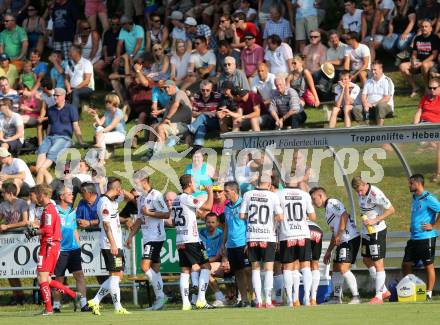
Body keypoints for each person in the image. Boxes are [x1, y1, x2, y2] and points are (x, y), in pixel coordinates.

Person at [24, 184, 81, 315]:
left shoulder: (49, 209)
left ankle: (49, 309)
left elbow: (48, 230)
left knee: (42, 277)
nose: (35, 197)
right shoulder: (48, 209)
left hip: (50, 245)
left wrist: (34, 232)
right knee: (46, 279)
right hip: (48, 245)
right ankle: (73, 295)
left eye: (36, 194)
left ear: (41, 194)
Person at [126, 172, 169, 310]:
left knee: (145, 267)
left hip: (155, 237)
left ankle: (161, 296)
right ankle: (159, 301)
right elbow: (139, 219)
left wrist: (149, 213)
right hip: (147, 237)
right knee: (155, 269)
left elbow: (167, 214)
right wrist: (131, 236)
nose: (135, 185)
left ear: (144, 181)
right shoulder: (141, 198)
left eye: (136, 182)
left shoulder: (156, 195)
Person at [310, 187, 361, 305]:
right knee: (336, 269)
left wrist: (340, 234)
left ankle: (356, 296)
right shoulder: (327, 212)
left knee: (343, 268)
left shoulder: (332, 203)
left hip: (350, 239)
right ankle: (336, 298)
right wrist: (329, 251)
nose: (313, 202)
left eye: (314, 198)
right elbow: (334, 233)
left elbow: (344, 215)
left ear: (321, 196)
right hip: (342, 240)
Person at [87, 177, 131, 315]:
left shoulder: (112, 200)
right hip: (110, 244)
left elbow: (129, 197)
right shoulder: (104, 202)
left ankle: (95, 300)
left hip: (116, 243)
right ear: (116, 189)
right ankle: (118, 307)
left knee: (118, 275)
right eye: (120, 189)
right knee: (115, 275)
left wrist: (120, 190)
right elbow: (106, 225)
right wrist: (113, 244)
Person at [240, 173, 283, 308]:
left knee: (255, 269)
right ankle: (269, 301)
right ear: (269, 185)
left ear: (257, 183)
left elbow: (242, 215)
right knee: (269, 268)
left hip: (252, 236)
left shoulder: (248, 194)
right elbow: (280, 217)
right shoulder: (273, 196)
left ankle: (258, 301)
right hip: (268, 236)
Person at [172, 174, 214, 310]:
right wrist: (210, 191)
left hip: (180, 239)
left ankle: (186, 304)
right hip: (192, 239)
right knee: (206, 266)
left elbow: (175, 220)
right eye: (194, 182)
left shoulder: (176, 199)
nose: (196, 184)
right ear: (189, 184)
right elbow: (208, 207)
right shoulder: (187, 198)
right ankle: (201, 299)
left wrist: (194, 215)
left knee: (185, 270)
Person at [351, 176, 395, 304]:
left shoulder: (375, 193)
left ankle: (379, 296)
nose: (359, 193)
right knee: (366, 260)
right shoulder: (360, 194)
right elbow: (365, 210)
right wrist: (364, 217)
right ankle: (385, 291)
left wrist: (375, 220)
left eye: (360, 190)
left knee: (378, 263)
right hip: (366, 232)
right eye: (357, 192)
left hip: (377, 231)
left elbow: (391, 209)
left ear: (365, 184)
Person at [277, 178, 316, 307]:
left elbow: (276, 215)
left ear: (284, 181)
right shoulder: (304, 194)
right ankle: (307, 298)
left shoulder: (279, 194)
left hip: (287, 235)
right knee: (305, 266)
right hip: (303, 234)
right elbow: (313, 217)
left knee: (288, 267)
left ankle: (290, 300)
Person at [35, 88, 85, 185]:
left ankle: (40, 182)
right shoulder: (51, 110)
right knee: (41, 151)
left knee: (52, 152)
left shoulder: (71, 109)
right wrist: (47, 138)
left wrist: (81, 141)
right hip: (50, 137)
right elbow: (49, 126)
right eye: (54, 95)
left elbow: (76, 126)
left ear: (64, 96)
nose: (55, 97)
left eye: (57, 95)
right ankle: (45, 179)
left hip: (64, 138)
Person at [403, 174, 440, 301]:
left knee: (428, 265)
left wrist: (434, 225)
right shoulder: (415, 197)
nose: (409, 185)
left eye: (411, 183)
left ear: (418, 184)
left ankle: (428, 293)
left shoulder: (428, 198)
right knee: (406, 264)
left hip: (426, 237)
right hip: (414, 238)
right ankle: (410, 289)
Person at [53, 186, 90, 313]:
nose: (72, 196)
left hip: (74, 250)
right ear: (62, 196)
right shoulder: (55, 211)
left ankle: (84, 304)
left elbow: (74, 230)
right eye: (69, 194)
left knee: (79, 275)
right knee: (59, 278)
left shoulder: (72, 211)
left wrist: (79, 246)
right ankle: (56, 306)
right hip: (61, 250)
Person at [143, 80, 192, 160]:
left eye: (168, 87)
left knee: (160, 128)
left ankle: (157, 155)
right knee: (153, 126)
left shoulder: (180, 93)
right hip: (175, 124)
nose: (166, 90)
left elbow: (176, 105)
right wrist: (162, 122)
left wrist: (167, 118)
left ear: (174, 87)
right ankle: (150, 152)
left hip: (185, 125)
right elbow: (166, 115)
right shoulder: (170, 100)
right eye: (165, 88)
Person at [221, 181, 252, 307]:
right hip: (231, 245)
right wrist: (224, 243)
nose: (224, 193)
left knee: (248, 271)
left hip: (243, 244)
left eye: (226, 191)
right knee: (238, 273)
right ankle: (244, 300)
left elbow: (250, 224)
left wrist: (249, 241)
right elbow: (227, 226)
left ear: (234, 191)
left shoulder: (244, 204)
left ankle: (254, 298)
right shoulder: (227, 207)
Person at [0, 182, 29, 305]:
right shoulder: (2, 204)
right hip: (7, 239)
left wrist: (8, 226)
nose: (1, 195)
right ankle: (17, 295)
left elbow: (25, 221)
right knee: (9, 269)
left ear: (10, 193)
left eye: (3, 192)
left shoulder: (22, 203)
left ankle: (24, 295)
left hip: (20, 239)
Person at [399, 19, 439, 97]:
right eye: (422, 26)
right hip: (419, 61)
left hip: (431, 62)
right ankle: (415, 87)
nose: (424, 28)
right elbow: (414, 53)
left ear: (431, 28)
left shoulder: (434, 38)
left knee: (425, 65)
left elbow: (434, 55)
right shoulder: (418, 38)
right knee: (402, 66)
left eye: (426, 26)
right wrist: (413, 60)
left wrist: (422, 62)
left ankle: (427, 87)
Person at [413, 78, 440, 182]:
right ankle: (429, 145)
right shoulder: (425, 98)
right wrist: (414, 127)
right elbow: (419, 112)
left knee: (438, 145)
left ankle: (438, 173)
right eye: (430, 88)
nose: (432, 90)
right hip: (424, 126)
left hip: (436, 127)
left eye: (434, 88)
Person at [353, 60, 394, 125]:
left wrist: (373, 105)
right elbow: (363, 96)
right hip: (369, 106)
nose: (373, 72)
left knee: (380, 106)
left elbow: (387, 98)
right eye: (372, 70)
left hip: (384, 106)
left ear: (381, 69)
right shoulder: (368, 81)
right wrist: (365, 104)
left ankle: (379, 129)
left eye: (375, 70)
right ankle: (365, 129)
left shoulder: (387, 81)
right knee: (356, 109)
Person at [199, 212, 227, 307]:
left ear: (217, 223)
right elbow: (199, 250)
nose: (210, 224)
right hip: (205, 262)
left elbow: (217, 256)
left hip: (218, 263)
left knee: (204, 270)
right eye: (208, 222)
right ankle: (197, 299)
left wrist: (203, 261)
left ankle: (220, 298)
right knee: (201, 270)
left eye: (213, 222)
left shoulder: (221, 234)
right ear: (205, 222)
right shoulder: (201, 233)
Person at [89, 93, 126, 165]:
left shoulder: (119, 112)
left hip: (120, 134)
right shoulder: (107, 112)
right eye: (106, 101)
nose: (106, 103)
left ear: (113, 103)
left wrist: (101, 132)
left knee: (101, 136)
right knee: (99, 129)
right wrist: (96, 115)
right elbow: (100, 123)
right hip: (109, 133)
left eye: (108, 102)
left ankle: (100, 159)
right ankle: (101, 159)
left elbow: (112, 126)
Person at [188, 80, 222, 150]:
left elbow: (220, 112)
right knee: (201, 126)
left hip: (215, 121)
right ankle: (198, 146)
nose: (205, 92)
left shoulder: (218, 96)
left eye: (207, 90)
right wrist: (206, 113)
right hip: (201, 122)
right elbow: (194, 114)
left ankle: (190, 130)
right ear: (200, 90)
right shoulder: (197, 96)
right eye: (203, 90)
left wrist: (203, 113)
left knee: (202, 116)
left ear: (211, 89)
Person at [64, 45, 95, 113]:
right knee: (59, 92)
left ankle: (74, 117)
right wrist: (69, 89)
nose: (69, 53)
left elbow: (86, 81)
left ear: (77, 52)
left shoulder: (86, 63)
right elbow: (66, 79)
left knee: (75, 92)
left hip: (87, 88)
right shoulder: (69, 63)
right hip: (72, 88)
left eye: (70, 51)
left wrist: (74, 89)